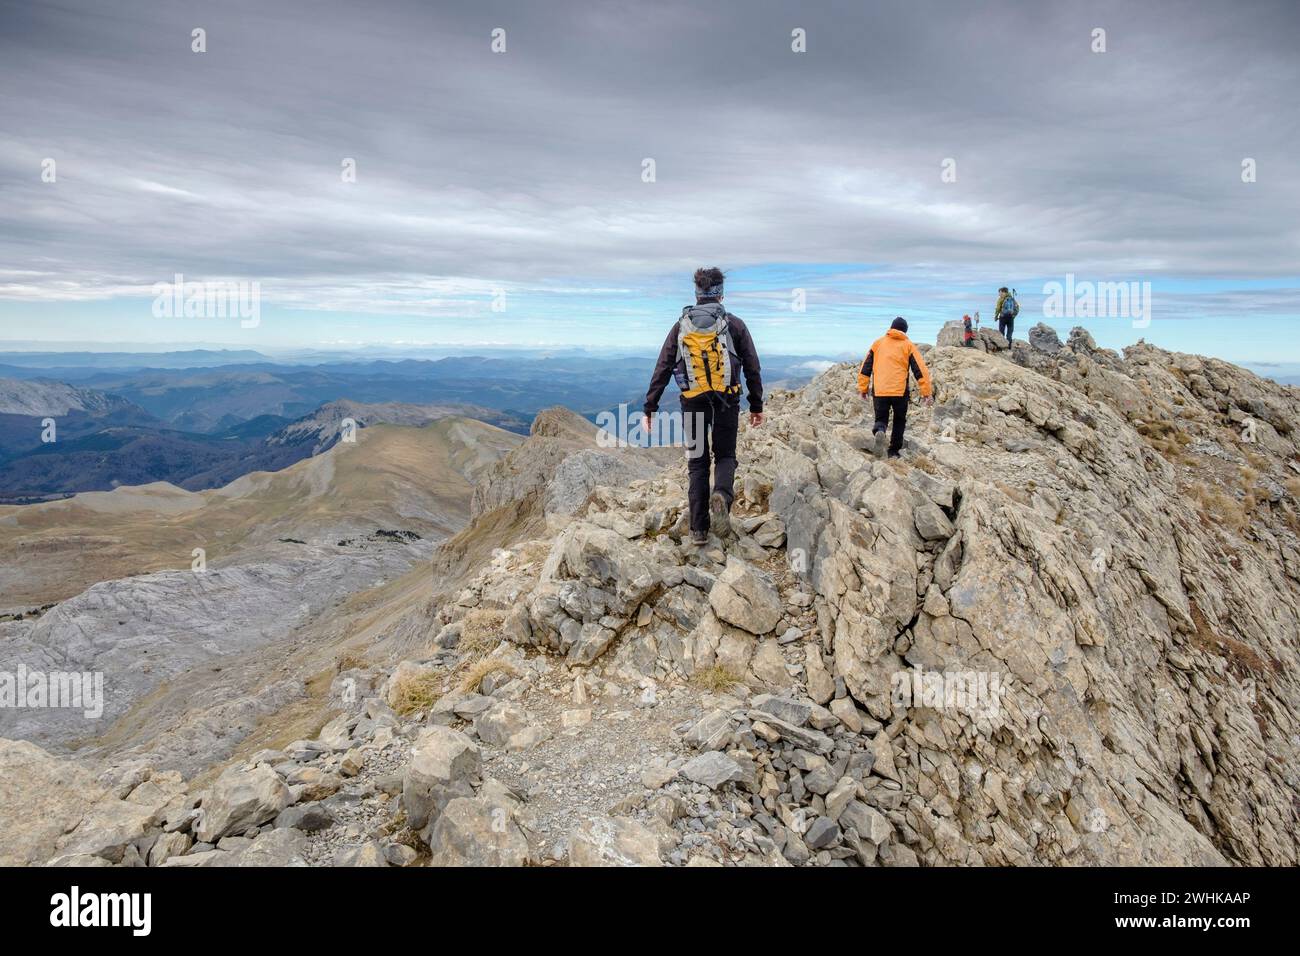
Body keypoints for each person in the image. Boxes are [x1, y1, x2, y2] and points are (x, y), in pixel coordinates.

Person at [643, 267, 763, 545]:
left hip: (693, 400)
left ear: (696, 293)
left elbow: (662, 367)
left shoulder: (681, 326)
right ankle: (721, 494)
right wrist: (756, 405)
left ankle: (698, 530)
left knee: (697, 463)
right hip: (727, 399)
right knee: (725, 456)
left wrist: (650, 407)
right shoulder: (734, 325)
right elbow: (753, 367)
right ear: (721, 293)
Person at [857, 317, 933, 459]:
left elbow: (865, 367)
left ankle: (880, 429)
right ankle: (893, 451)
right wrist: (926, 392)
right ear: (905, 331)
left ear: (891, 328)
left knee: (881, 417)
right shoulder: (908, 345)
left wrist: (863, 388)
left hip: (880, 390)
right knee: (899, 420)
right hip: (899, 392)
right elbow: (920, 370)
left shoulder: (878, 343)